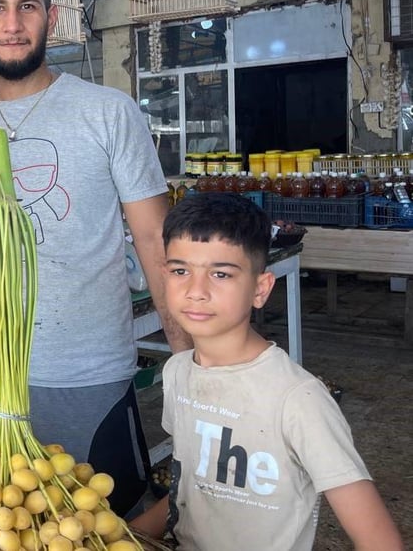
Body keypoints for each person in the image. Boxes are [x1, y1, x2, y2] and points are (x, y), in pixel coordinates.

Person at [0, 0, 191, 516]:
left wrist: (184, 360)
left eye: (28, 6)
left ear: (51, 17)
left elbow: (155, 239)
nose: (13, 24)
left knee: (106, 524)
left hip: (90, 375)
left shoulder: (107, 112)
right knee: (6, 528)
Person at [129, 193, 402, 550]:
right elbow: (192, 488)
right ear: (164, 276)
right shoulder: (179, 372)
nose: (196, 291)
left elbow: (380, 542)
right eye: (181, 271)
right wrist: (120, 534)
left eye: (221, 274)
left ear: (260, 289)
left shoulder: (297, 399)